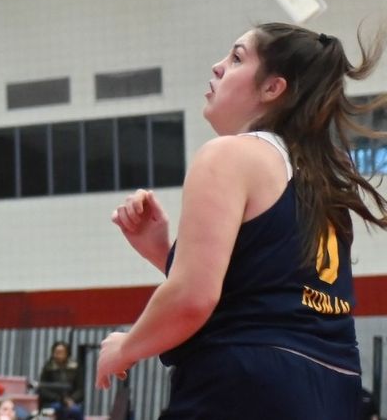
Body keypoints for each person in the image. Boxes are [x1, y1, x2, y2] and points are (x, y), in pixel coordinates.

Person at [97, 24, 387, 419]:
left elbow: (192, 299)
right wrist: (164, 252)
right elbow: (268, 289)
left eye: (236, 58)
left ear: (273, 88)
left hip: (247, 384)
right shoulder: (319, 178)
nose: (218, 67)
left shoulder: (230, 154)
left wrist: (125, 348)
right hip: (335, 391)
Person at [36, 341, 82, 420]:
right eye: (56, 352)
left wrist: (72, 399)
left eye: (61, 352)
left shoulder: (74, 368)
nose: (58, 355)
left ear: (67, 353)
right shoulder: (48, 368)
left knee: (77, 410)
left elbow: (80, 389)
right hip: (52, 402)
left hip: (71, 401)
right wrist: (58, 398)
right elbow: (42, 389)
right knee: (58, 409)